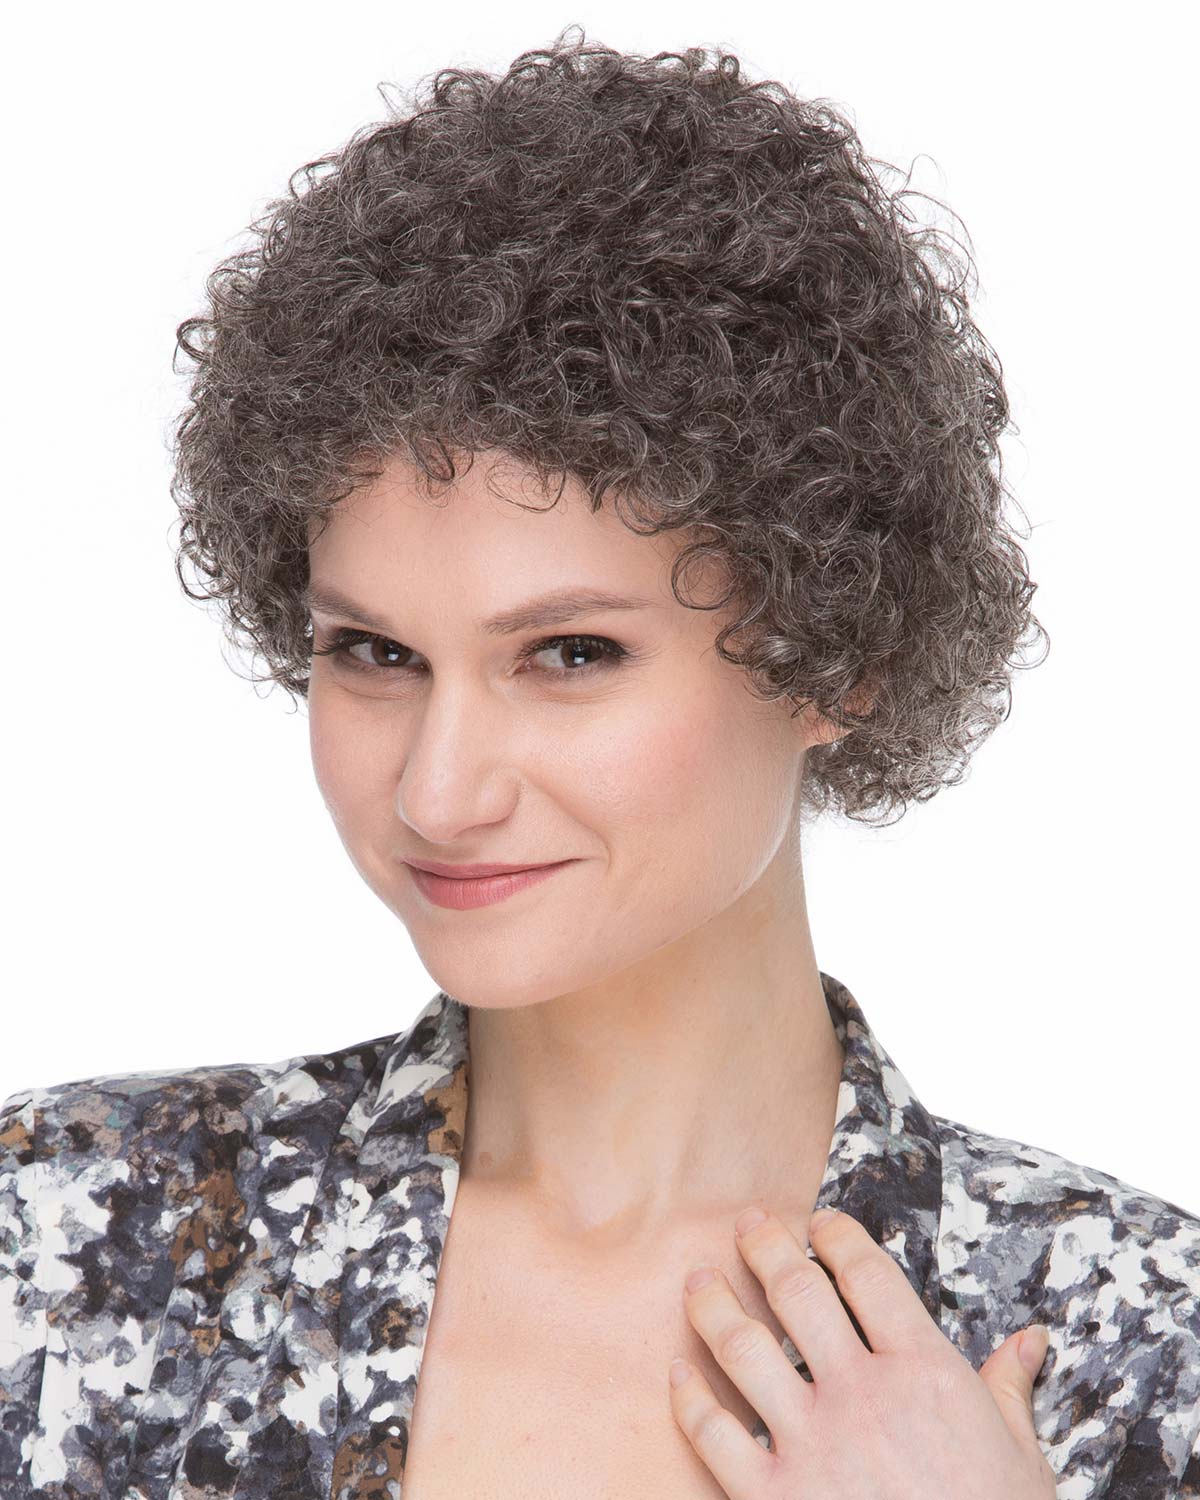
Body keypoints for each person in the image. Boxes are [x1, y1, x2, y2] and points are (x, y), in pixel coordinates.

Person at [1, 26, 1197, 1500]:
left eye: (569, 654)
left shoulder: (1132, 1359)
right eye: (375, 653)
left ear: (839, 651)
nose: (439, 793)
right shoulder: (67, 1246)